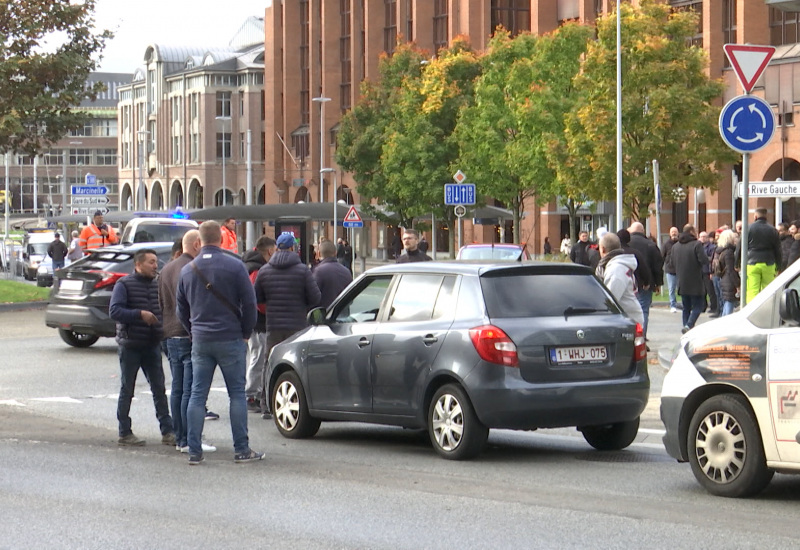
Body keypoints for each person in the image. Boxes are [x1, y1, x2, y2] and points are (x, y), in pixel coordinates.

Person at [176, 221, 263, 465]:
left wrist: (193, 331)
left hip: (201, 339)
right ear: (221, 239)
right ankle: (241, 449)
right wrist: (245, 332)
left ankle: (194, 451)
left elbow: (180, 309)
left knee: (196, 395)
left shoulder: (188, 269)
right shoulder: (235, 266)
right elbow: (249, 303)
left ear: (199, 241)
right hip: (231, 337)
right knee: (236, 394)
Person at [158, 230, 217, 455]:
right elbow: (195, 304)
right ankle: (189, 439)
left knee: (177, 389)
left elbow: (161, 302)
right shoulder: (193, 269)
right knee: (192, 391)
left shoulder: (166, 269)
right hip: (189, 333)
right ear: (196, 244)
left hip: (170, 333)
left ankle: (179, 437)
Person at [108, 248, 174, 447]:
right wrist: (139, 314)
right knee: (127, 388)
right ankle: (125, 431)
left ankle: (168, 431)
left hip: (152, 343)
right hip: (131, 344)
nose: (155, 266)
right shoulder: (124, 284)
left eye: (156, 262)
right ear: (138, 264)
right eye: (151, 262)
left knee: (159, 388)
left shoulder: (157, 284)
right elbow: (115, 311)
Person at [254, 232, 321, 417]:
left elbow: (257, 297)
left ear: (277, 248)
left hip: (273, 325)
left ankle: (266, 405)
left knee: (269, 363)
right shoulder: (302, 270)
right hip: (297, 326)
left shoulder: (265, 270)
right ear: (293, 248)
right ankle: (295, 402)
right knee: (296, 366)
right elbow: (315, 297)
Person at [242, 235, 276, 414]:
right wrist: (269, 309)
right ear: (269, 251)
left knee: (257, 356)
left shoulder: (248, 265)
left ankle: (252, 393)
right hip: (258, 321)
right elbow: (256, 299)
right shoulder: (258, 269)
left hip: (252, 320)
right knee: (258, 357)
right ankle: (251, 395)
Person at [595, 233, 644, 327]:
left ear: (603, 249)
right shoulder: (619, 264)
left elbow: (611, 299)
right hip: (628, 316)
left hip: (627, 320)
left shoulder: (616, 269)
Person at [736, 207, 782, 304]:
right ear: (766, 216)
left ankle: (751, 310)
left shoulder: (748, 229)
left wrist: (737, 263)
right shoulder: (773, 230)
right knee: (768, 290)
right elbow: (778, 250)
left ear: (755, 216)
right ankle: (767, 308)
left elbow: (739, 247)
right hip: (769, 263)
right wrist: (779, 266)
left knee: (752, 290)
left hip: (751, 263)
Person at [627, 221, 663, 337]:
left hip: (628, 281)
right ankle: (641, 336)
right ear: (643, 231)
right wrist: (658, 283)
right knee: (643, 310)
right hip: (646, 282)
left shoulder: (625, 244)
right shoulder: (650, 245)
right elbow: (658, 265)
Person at [671, 224, 708, 334]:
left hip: (682, 281)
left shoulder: (675, 246)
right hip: (695, 280)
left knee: (686, 307)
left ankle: (686, 328)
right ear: (691, 231)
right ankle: (689, 325)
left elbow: (672, 262)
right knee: (698, 305)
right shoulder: (696, 245)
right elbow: (704, 260)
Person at [313, 239, 352, 309]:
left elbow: (313, 297)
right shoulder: (346, 271)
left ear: (318, 254)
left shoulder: (318, 271)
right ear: (335, 253)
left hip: (325, 314)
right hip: (343, 314)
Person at [715, 229, 740, 316]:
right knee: (729, 303)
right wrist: (737, 284)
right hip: (729, 281)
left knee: (727, 302)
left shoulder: (720, 251)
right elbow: (731, 270)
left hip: (724, 279)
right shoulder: (729, 252)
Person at [698, 231, 718, 317]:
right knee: (702, 291)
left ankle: (713, 306)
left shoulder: (711, 247)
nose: (702, 238)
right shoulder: (698, 246)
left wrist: (704, 258)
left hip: (707, 271)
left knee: (710, 290)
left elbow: (712, 259)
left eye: (704, 237)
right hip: (699, 271)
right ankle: (703, 306)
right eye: (701, 237)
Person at [662, 226, 680, 312]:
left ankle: (683, 304)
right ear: (669, 233)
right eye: (672, 232)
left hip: (680, 269)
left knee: (681, 288)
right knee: (671, 289)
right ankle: (673, 305)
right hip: (670, 270)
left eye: (675, 232)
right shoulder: (666, 244)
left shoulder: (681, 243)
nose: (674, 233)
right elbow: (662, 256)